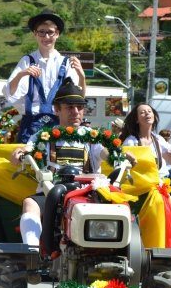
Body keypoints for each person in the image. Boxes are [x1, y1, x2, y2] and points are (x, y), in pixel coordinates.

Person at [11, 79, 111, 246]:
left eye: (79, 107)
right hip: (51, 194)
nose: (76, 111)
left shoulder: (93, 137)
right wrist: (19, 152)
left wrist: (118, 155)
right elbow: (27, 149)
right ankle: (33, 253)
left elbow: (105, 152)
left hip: (86, 195)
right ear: (57, 110)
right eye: (69, 107)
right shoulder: (44, 136)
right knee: (30, 204)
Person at [3, 11, 86, 142]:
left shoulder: (65, 63)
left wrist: (82, 76)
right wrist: (22, 74)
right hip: (30, 124)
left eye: (50, 32)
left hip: (59, 124)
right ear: (35, 34)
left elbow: (78, 97)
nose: (46, 36)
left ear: (57, 34)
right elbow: (9, 93)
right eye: (41, 32)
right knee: (27, 160)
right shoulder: (27, 60)